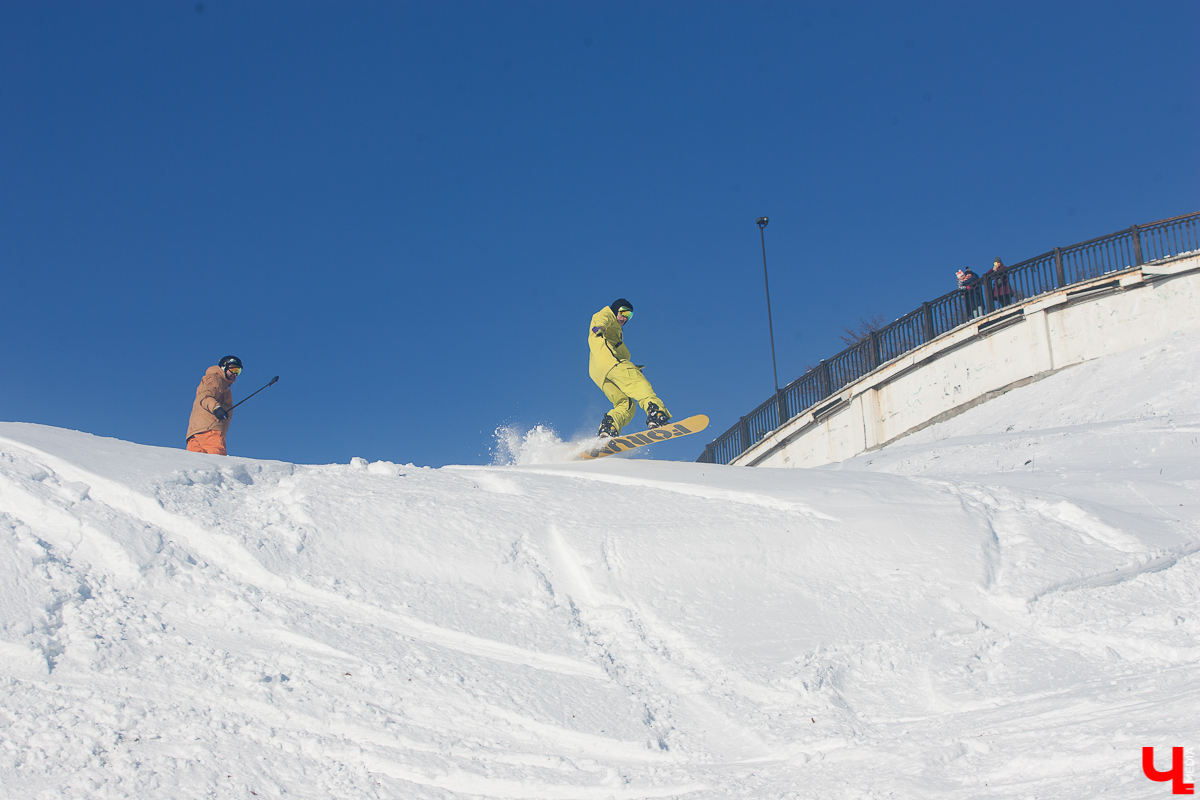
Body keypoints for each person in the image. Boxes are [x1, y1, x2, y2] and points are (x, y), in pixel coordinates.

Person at [588, 298, 671, 438]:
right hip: (611, 362)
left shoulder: (615, 335)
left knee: (626, 404)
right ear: (615, 310)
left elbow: (620, 354)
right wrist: (600, 328)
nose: (625, 317)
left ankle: (609, 426)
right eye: (623, 312)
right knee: (639, 384)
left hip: (600, 374)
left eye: (629, 315)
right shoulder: (606, 316)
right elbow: (600, 320)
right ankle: (656, 413)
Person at [186, 355, 242, 455]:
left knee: (197, 464)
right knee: (216, 460)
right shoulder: (215, 379)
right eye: (232, 369)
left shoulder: (221, 383)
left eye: (238, 371)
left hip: (196, 432)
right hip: (210, 430)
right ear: (224, 367)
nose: (235, 374)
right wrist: (217, 408)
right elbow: (205, 397)